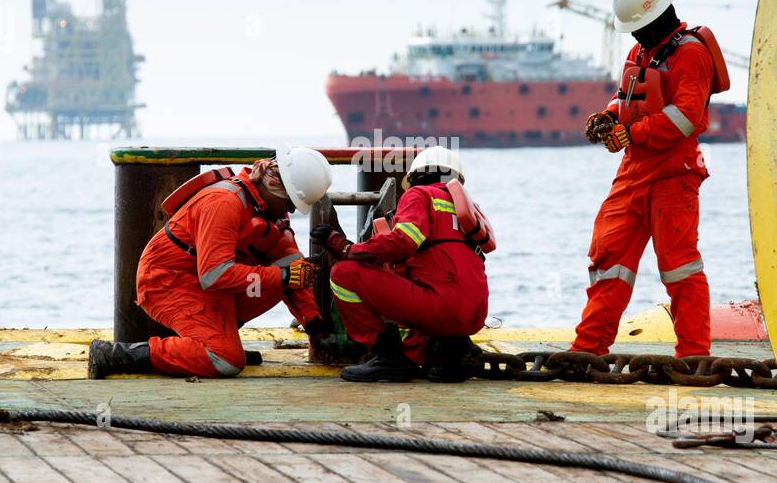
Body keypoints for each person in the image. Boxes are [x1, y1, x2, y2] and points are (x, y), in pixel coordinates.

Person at [575, 0, 729, 361]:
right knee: (608, 257)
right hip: (634, 171)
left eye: (638, 27)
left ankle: (694, 357)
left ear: (656, 17)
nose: (634, 35)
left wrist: (636, 134)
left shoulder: (691, 53)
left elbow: (686, 118)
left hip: (674, 174)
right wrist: (610, 118)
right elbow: (626, 96)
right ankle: (589, 348)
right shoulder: (640, 52)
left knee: (679, 266)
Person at [88, 148, 333, 379]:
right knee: (225, 361)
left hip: (205, 281)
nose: (287, 212)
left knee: (286, 275)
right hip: (168, 281)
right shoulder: (224, 203)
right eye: (289, 204)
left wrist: (313, 323)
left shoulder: (265, 207)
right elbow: (214, 275)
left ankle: (219, 340)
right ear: (276, 187)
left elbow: (291, 264)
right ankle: (118, 355)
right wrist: (281, 276)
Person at [320, 146, 492, 383]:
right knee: (422, 290)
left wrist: (347, 249)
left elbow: (405, 240)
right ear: (456, 180)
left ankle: (389, 359)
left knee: (343, 274)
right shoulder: (470, 211)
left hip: (440, 309)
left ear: (413, 178)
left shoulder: (419, 195)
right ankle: (453, 350)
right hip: (475, 315)